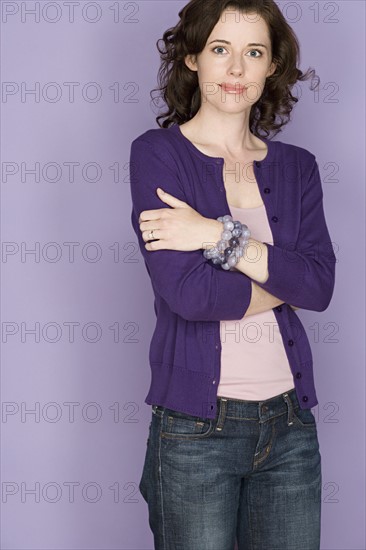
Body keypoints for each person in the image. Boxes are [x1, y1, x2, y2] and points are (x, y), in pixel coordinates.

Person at [129, 1, 336, 548]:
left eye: (254, 52)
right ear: (193, 57)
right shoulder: (158, 155)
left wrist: (216, 236)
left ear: (273, 66)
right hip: (196, 430)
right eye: (220, 49)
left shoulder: (298, 167)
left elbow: (321, 286)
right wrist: (282, 277)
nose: (236, 70)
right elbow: (191, 295)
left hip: (291, 425)